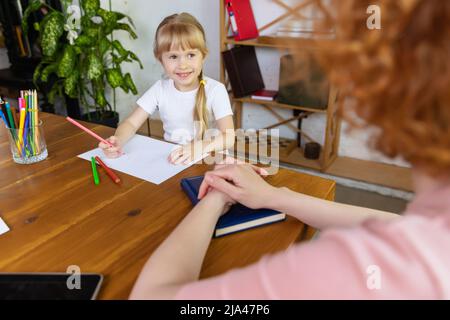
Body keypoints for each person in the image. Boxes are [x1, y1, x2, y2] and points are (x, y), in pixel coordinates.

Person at [129, 0, 450, 299]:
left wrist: (214, 200)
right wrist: (273, 196)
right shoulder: (429, 242)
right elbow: (394, 228)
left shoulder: (357, 266)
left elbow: (151, 295)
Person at [99, 13, 234, 164]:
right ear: (161, 60)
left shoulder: (216, 90)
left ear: (203, 56)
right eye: (173, 57)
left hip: (212, 162)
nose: (183, 65)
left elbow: (228, 137)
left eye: (190, 55)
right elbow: (131, 123)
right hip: (174, 162)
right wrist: (118, 140)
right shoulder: (160, 89)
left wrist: (198, 147)